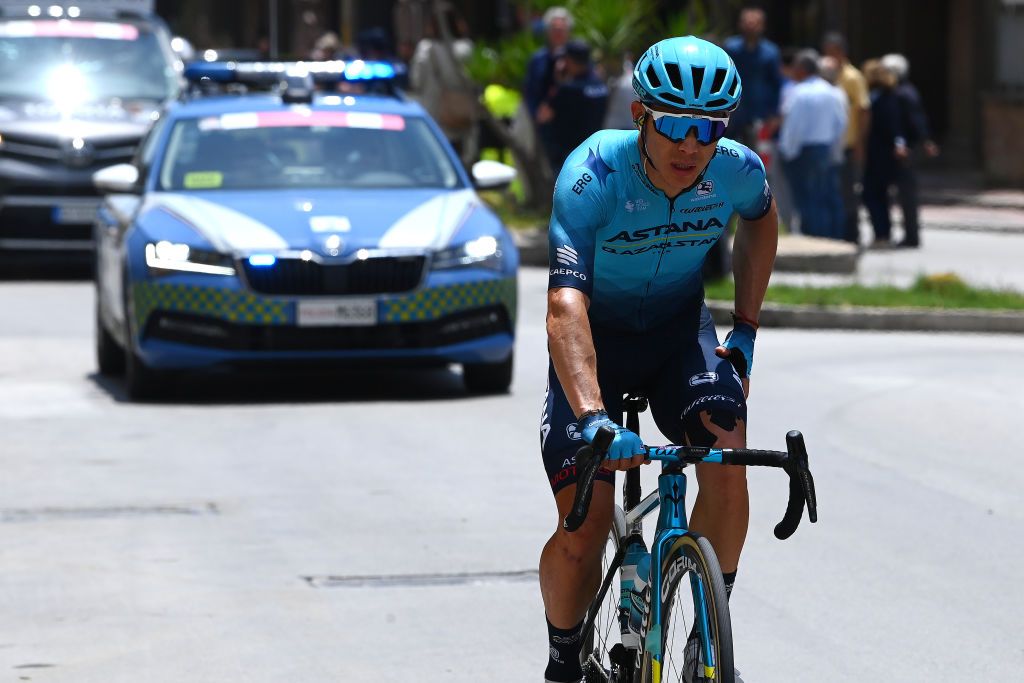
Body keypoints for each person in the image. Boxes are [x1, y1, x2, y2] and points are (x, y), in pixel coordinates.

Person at [539, 35, 778, 683]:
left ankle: (708, 624)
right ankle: (563, 661)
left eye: (708, 127)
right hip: (598, 342)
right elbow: (565, 307)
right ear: (641, 114)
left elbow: (762, 218)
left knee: (728, 460)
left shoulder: (736, 169)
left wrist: (747, 331)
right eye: (674, 122)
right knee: (584, 525)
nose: (690, 143)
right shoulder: (594, 175)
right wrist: (591, 414)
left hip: (679, 335)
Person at [777, 49, 847, 238]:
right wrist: (835, 150)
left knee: (805, 199)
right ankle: (830, 237)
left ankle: (812, 237)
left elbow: (793, 127)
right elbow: (840, 124)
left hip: (803, 152)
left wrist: (787, 151)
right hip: (824, 149)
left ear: (801, 69)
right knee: (823, 196)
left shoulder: (799, 92)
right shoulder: (833, 92)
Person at [881, 53, 940, 248]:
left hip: (906, 151)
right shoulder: (895, 92)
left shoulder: (904, 94)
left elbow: (915, 121)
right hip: (898, 150)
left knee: (908, 195)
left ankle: (911, 236)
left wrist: (922, 141)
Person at [409, 5, 478, 166]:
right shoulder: (467, 48)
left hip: (435, 113)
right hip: (462, 112)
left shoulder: (426, 49)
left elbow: (416, 80)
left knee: (435, 159)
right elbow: (474, 81)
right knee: (461, 160)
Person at [822, 32, 870, 245]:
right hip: (829, 144)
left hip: (848, 144)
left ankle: (852, 235)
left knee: (848, 191)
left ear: (841, 53)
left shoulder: (852, 77)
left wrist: (860, 142)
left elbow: (863, 110)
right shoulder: (825, 75)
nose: (829, 56)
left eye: (833, 52)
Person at [536, 40, 609, 172]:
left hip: (569, 154)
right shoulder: (600, 85)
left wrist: (558, 82)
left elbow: (543, 116)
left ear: (569, 61)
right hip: (594, 151)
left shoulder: (568, 89)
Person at [861, 59, 907, 249]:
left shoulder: (881, 98)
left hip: (880, 154)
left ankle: (882, 235)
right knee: (879, 195)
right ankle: (883, 234)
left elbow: (892, 126)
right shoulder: (888, 96)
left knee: (872, 194)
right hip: (881, 154)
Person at [723, 7, 783, 148]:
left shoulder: (771, 52)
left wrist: (774, 114)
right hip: (731, 111)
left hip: (758, 113)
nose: (750, 26)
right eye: (747, 22)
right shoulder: (730, 48)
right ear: (740, 24)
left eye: (755, 23)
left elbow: (776, 84)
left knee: (755, 154)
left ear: (762, 26)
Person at [524, 6, 573, 172]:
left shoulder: (577, 58)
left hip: (569, 125)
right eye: (554, 29)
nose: (558, 33)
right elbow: (529, 90)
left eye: (562, 29)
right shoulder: (538, 59)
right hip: (543, 126)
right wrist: (536, 113)